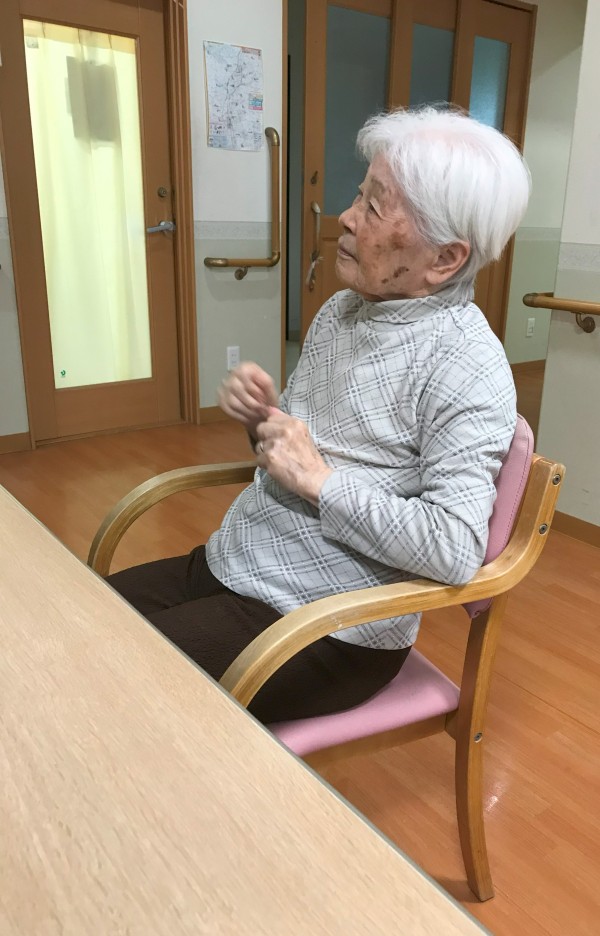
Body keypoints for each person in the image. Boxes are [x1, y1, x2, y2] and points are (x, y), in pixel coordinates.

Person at [108, 106, 531, 724]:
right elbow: (297, 455)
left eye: (375, 208)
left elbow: (453, 547)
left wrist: (319, 481)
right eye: (360, 195)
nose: (347, 218)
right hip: (236, 562)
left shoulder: (467, 364)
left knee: (109, 676)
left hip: (329, 627)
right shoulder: (342, 312)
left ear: (444, 259)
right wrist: (262, 421)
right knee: (73, 617)